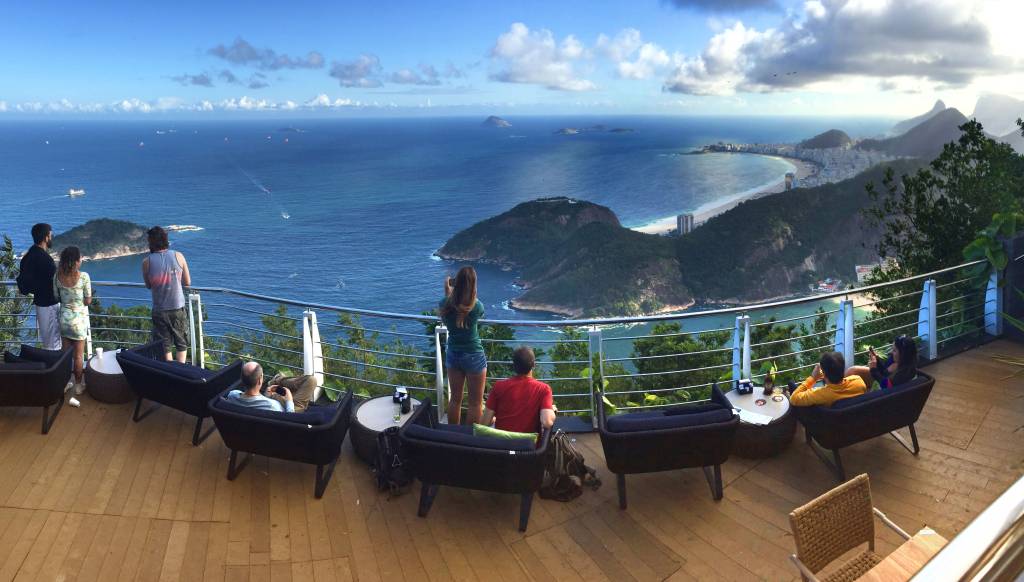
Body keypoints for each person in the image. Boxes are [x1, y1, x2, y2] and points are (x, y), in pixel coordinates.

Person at [439, 266, 487, 425]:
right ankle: (470, 439)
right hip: (473, 354)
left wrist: (447, 291)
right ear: (473, 285)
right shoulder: (477, 306)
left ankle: (454, 436)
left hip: (453, 354)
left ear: (456, 283)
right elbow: (475, 310)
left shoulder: (444, 304)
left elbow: (449, 307)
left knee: (455, 400)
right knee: (475, 403)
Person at [142, 226, 191, 363]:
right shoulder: (178, 256)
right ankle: (180, 372)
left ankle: (168, 372)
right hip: (177, 307)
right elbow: (187, 282)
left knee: (165, 346)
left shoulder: (146, 262)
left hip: (159, 309)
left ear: (151, 242)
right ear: (165, 240)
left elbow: (148, 285)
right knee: (181, 343)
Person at [480, 346, 556, 434]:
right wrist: (552, 410)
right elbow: (547, 422)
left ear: (514, 365)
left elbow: (484, 423)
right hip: (528, 445)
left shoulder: (498, 386)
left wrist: (494, 419)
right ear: (534, 365)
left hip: (501, 444)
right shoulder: (543, 389)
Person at [53, 246, 91, 397]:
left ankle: (65, 382)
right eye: (80, 258)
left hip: (64, 320)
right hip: (79, 322)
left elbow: (56, 297)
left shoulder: (57, 276)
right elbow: (88, 300)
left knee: (65, 355)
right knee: (78, 356)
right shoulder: (84, 277)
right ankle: (78, 386)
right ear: (76, 261)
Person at [16, 223, 61, 350]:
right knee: (53, 342)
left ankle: (52, 367)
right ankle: (56, 368)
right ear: (46, 237)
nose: (51, 238)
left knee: (47, 340)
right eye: (50, 235)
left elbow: (24, 282)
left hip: (40, 303)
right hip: (49, 304)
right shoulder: (45, 259)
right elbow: (55, 282)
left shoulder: (29, 255)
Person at [789, 351, 867, 407]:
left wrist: (813, 378)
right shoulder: (858, 381)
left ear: (824, 374)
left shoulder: (820, 394)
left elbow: (793, 399)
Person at [847, 335, 919, 390]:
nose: (891, 352)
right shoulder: (906, 366)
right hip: (881, 392)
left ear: (903, 354)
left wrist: (873, 370)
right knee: (852, 371)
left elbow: (887, 386)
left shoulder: (903, 374)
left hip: (878, 398)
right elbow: (885, 374)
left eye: (894, 350)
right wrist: (877, 361)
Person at [226, 362, 295, 412]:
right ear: (259, 380)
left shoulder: (232, 395)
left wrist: (265, 396)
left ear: (242, 379)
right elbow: (290, 421)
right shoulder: (273, 406)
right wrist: (289, 401)